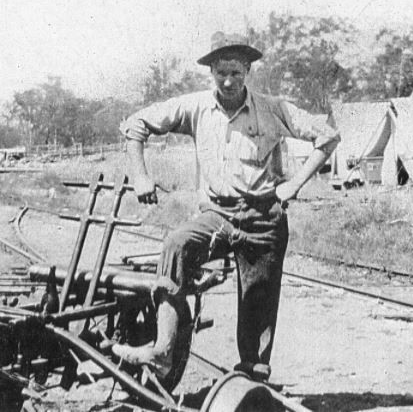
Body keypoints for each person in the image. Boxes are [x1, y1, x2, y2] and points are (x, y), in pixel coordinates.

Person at [111, 31, 340, 382]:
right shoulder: (196, 107)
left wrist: (294, 185)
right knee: (176, 245)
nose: (229, 81)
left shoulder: (273, 109)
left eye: (235, 72)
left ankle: (253, 378)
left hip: (263, 217)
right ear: (212, 73)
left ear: (247, 70)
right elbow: (135, 125)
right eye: (221, 73)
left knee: (256, 303)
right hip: (217, 215)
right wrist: (140, 176)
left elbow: (327, 136)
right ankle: (163, 349)